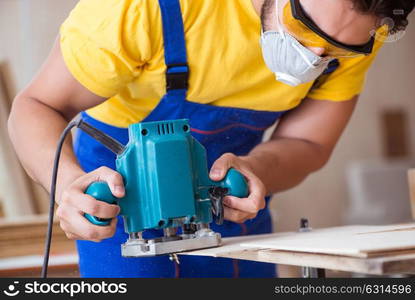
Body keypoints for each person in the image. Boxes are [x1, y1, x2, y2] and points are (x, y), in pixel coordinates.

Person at [8, 0, 415, 277]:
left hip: (232, 208)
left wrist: (256, 170)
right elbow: (36, 105)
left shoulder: (359, 26)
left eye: (334, 51)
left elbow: (310, 143)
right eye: (301, 29)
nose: (314, 56)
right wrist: (67, 187)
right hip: (120, 210)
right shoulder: (143, 8)